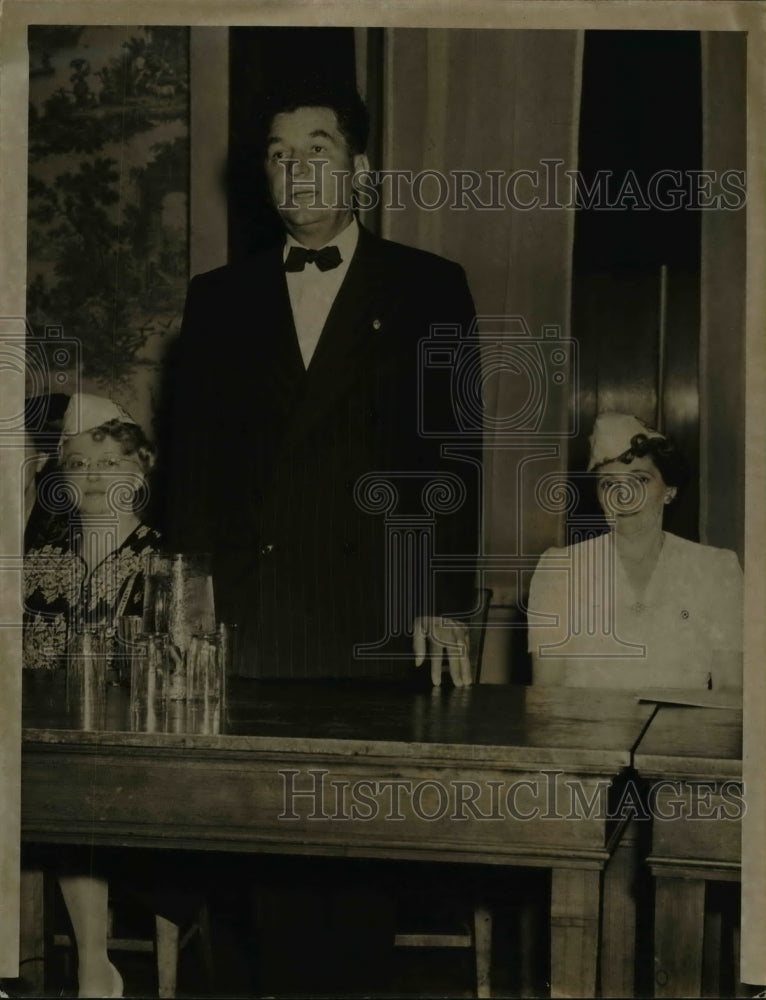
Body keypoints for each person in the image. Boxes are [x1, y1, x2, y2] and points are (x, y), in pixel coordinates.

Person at [163, 82, 480, 687]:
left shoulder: (428, 287)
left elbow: (454, 457)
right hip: (248, 609)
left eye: (316, 149)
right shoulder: (219, 297)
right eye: (279, 155)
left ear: (358, 169)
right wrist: (189, 586)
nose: (296, 170)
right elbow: (192, 460)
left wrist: (442, 597)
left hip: (382, 609)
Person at [23, 392, 160, 998]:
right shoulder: (38, 561)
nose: (94, 479)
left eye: (110, 463)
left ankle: (91, 964)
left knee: (78, 786)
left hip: (138, 747)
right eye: (77, 465)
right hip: (46, 742)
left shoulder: (166, 558)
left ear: (143, 466)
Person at [527, 412, 743, 691]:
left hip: (685, 734)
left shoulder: (716, 569)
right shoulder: (559, 569)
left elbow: (731, 692)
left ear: (669, 491)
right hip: (584, 732)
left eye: (640, 480)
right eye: (608, 484)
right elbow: (547, 693)